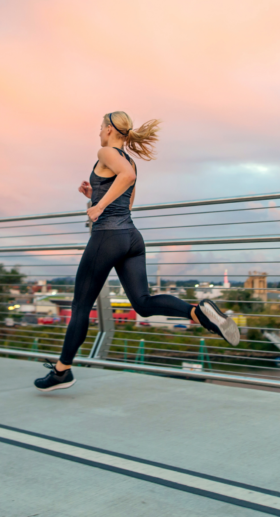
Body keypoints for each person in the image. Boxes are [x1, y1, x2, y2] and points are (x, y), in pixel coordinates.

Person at [35, 112, 239, 392]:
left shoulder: (105, 151)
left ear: (108, 129)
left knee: (81, 306)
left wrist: (97, 207)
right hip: (132, 238)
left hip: (108, 237)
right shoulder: (129, 160)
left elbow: (124, 181)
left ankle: (61, 372)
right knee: (142, 304)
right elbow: (126, 203)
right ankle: (199, 313)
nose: (98, 133)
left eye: (100, 128)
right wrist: (92, 195)